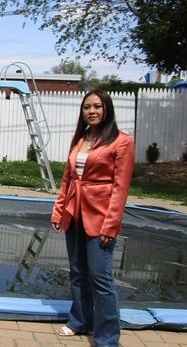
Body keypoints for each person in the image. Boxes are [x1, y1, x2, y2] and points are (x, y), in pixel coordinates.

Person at [50, 89, 135, 347]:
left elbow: (120, 188)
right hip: (74, 213)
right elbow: (68, 179)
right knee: (77, 272)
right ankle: (79, 321)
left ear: (107, 109)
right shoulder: (81, 139)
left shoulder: (122, 142)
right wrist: (58, 210)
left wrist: (111, 224)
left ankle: (108, 338)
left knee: (101, 277)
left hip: (100, 217)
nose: (92, 111)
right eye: (87, 107)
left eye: (97, 106)